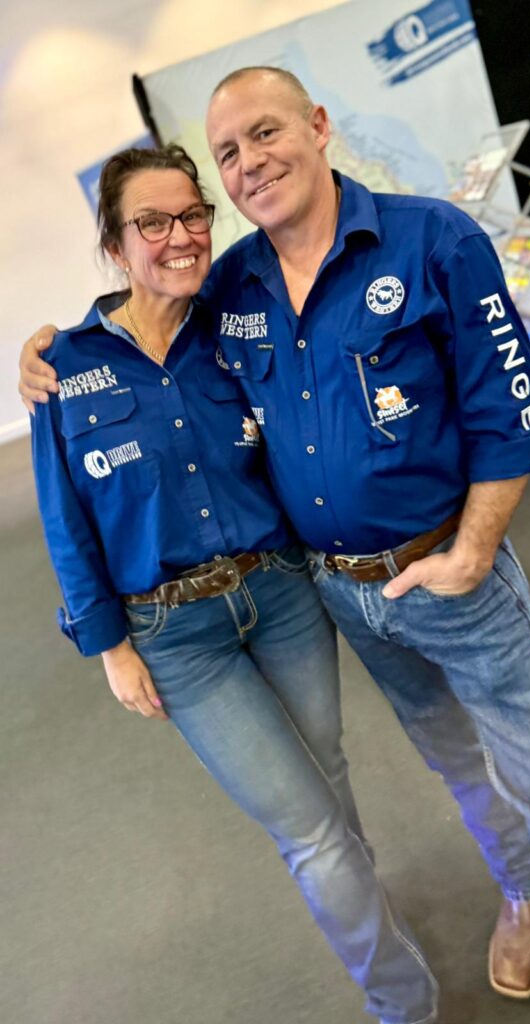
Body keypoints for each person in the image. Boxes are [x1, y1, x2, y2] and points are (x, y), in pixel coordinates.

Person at [19, 69, 530, 1023]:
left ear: (316, 125)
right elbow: (133, 344)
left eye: (264, 134)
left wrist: (473, 550)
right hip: (344, 595)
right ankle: (526, 894)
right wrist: (47, 347)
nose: (249, 163)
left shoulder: (432, 238)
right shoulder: (233, 290)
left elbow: (508, 409)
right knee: (457, 765)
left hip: (452, 576)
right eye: (228, 154)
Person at [28, 142, 439, 1024]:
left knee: (327, 781)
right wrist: (108, 647)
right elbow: (65, 522)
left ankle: (373, 928)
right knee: (309, 829)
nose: (179, 237)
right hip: (178, 635)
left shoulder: (239, 325)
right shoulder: (62, 369)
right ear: (113, 243)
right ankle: (405, 1005)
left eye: (192, 215)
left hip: (283, 594)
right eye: (152, 222)